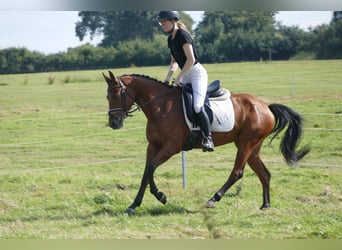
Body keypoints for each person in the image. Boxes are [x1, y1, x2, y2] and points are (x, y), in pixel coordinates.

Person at [157, 11, 214, 152]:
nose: (162, 25)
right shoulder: (170, 39)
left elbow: (191, 60)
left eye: (164, 22)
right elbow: (174, 61)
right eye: (161, 23)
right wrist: (169, 76)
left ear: (173, 21)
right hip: (185, 74)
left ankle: (208, 138)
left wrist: (179, 77)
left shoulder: (183, 35)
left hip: (196, 74)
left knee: (197, 106)